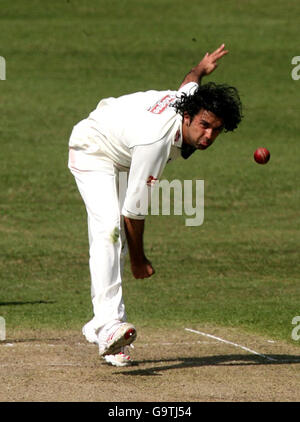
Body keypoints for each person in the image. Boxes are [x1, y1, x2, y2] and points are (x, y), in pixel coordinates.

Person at [68, 44, 243, 367]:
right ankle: (109, 326)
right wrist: (138, 260)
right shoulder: (155, 141)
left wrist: (202, 67)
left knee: (111, 235)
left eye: (216, 130)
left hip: (121, 151)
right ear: (187, 116)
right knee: (108, 230)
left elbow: (191, 80)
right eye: (204, 125)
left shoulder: (188, 101)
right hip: (92, 149)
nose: (208, 135)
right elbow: (133, 213)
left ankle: (102, 325)